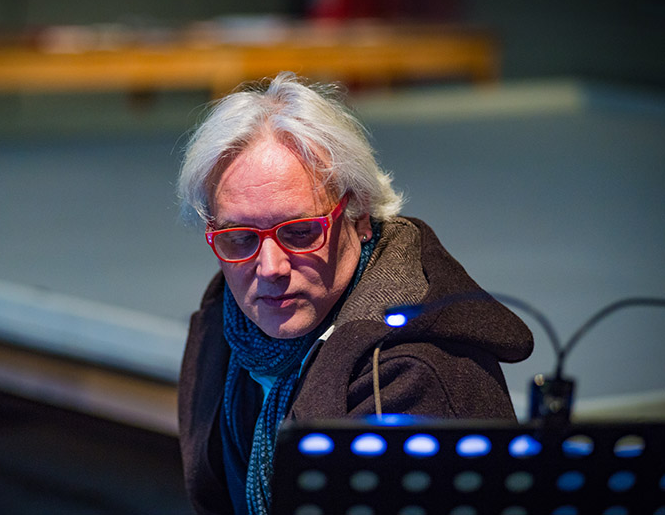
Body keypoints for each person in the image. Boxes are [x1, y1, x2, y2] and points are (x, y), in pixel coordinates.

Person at [176, 72, 533, 515]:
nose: (270, 268)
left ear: (360, 214)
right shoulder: (226, 324)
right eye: (240, 237)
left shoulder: (413, 375)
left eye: (300, 232)